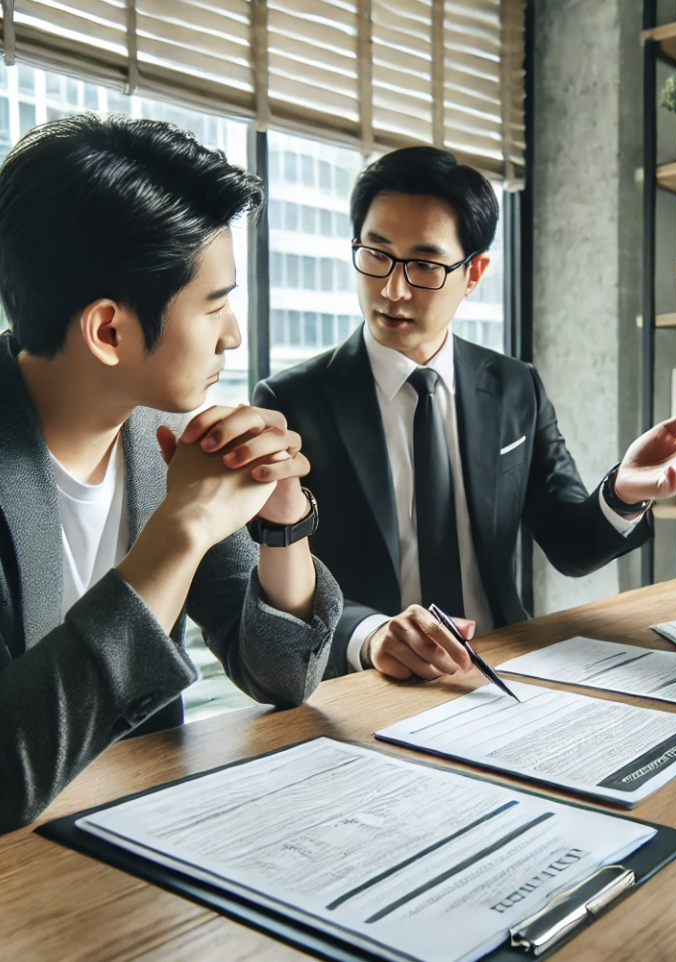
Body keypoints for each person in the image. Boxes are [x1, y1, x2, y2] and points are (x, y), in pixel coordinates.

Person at [255, 146, 676, 682]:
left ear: (474, 274)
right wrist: (370, 634)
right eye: (376, 255)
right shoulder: (290, 403)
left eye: (424, 265)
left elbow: (569, 546)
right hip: (366, 684)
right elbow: (277, 592)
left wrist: (622, 495)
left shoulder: (515, 387)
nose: (393, 289)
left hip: (505, 670)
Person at [0, 114, 343, 833]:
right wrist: (180, 533)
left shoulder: (163, 443)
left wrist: (283, 518)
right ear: (108, 330)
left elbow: (283, 676)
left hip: (139, 837)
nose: (234, 335)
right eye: (215, 305)